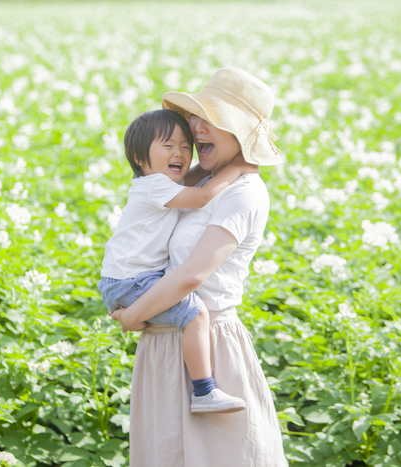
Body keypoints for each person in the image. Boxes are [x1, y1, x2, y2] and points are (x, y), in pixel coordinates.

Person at [110, 67, 288, 466]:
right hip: (162, 345)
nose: (195, 127)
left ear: (240, 135)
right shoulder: (192, 181)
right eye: (197, 117)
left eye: (212, 119)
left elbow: (193, 274)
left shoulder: (243, 191)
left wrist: (132, 315)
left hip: (209, 348)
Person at [98, 109, 259, 413]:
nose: (181, 153)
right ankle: (204, 391)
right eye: (168, 146)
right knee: (196, 313)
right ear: (138, 157)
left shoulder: (158, 183)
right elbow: (201, 196)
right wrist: (236, 168)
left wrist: (219, 170)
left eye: (186, 147)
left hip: (126, 278)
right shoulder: (157, 187)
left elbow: (196, 176)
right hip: (132, 280)